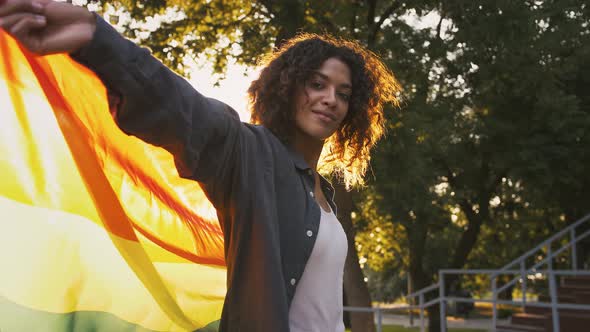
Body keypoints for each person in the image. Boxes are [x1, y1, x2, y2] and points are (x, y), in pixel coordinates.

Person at [0, 1, 399, 331]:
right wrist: (96, 36)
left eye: (343, 93)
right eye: (317, 83)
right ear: (288, 87)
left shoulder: (324, 193)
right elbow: (185, 111)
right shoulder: (252, 156)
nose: (330, 98)